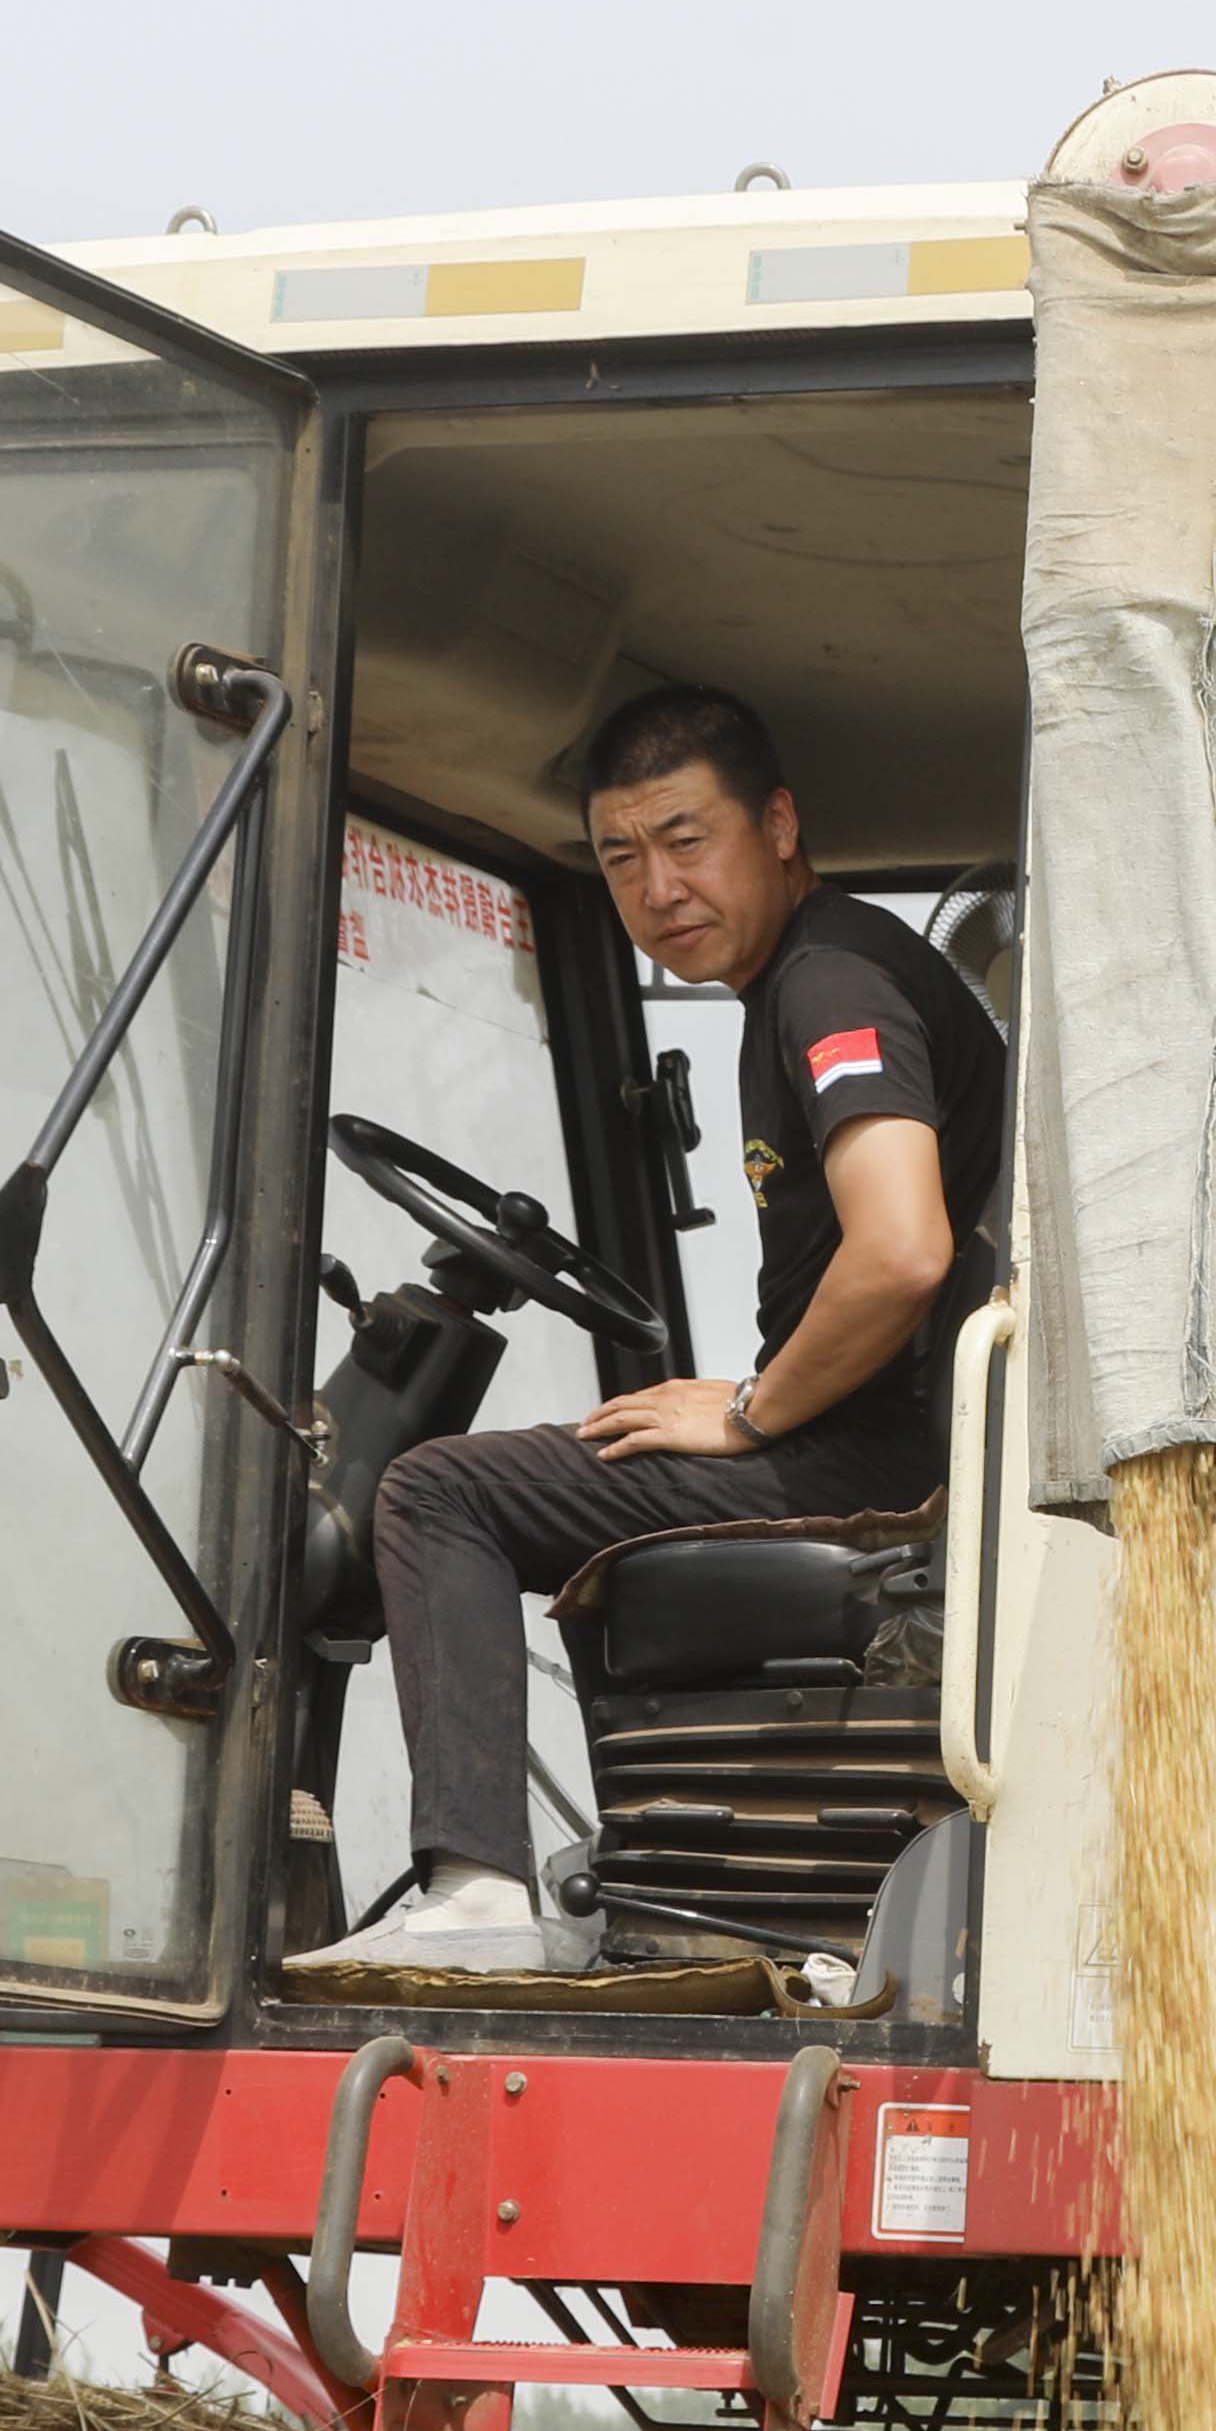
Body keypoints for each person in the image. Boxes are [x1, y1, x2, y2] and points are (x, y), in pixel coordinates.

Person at [352, 683, 1004, 1973]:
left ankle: (473, 1893)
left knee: (437, 1495)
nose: (658, 889)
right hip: (908, 1439)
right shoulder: (813, 973)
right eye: (619, 858)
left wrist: (757, 1408)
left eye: (687, 840)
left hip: (884, 1461)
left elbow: (903, 1248)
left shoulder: (828, 980)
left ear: (777, 825)